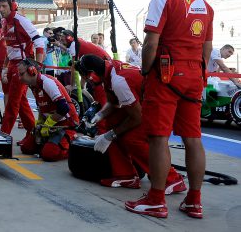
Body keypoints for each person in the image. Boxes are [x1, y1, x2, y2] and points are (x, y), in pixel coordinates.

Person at [125, 0, 213, 219]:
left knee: (158, 137)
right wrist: (198, 72)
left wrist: (144, 71)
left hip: (166, 76)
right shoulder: (205, 5)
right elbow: (206, 48)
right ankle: (194, 201)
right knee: (193, 139)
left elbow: (151, 43)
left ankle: (155, 199)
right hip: (194, 76)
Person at [74, 55, 185, 191]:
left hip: (159, 104)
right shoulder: (108, 70)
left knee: (132, 138)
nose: (86, 81)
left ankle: (172, 179)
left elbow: (137, 117)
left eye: (85, 77)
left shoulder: (118, 81)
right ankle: (125, 175)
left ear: (92, 75)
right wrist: (99, 115)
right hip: (145, 103)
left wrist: (111, 135)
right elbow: (113, 103)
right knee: (113, 121)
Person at [0, 0, 44, 136]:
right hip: (12, 65)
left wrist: (37, 66)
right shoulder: (4, 22)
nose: (1, 9)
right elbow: (9, 48)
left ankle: (4, 135)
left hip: (23, 65)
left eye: (4, 6)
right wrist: (5, 68)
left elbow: (39, 42)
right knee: (21, 103)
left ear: (13, 5)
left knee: (13, 102)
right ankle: (33, 134)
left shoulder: (21, 20)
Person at [16, 59, 78, 161]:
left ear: (32, 71)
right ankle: (52, 142)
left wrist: (48, 124)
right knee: (26, 148)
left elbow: (63, 108)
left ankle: (71, 143)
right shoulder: (34, 85)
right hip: (52, 125)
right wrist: (40, 122)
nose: (20, 78)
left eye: (21, 74)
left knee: (49, 154)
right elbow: (41, 106)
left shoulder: (47, 82)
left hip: (66, 124)